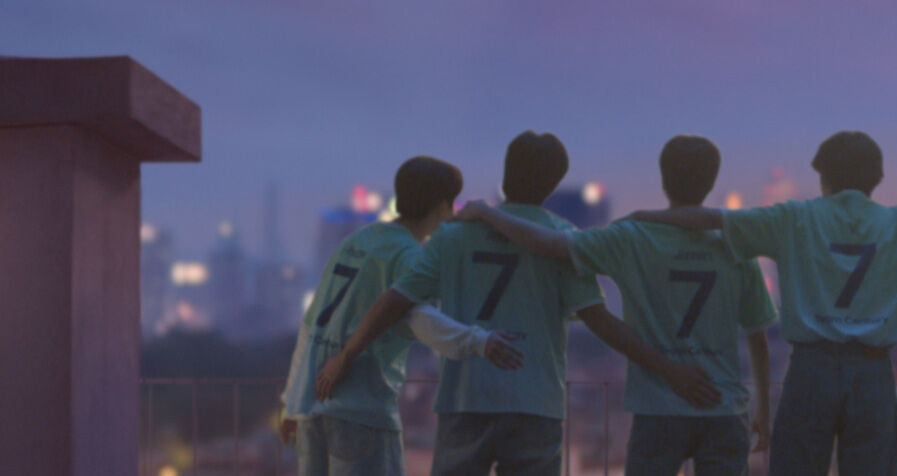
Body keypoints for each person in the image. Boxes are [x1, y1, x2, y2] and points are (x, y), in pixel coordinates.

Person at [626, 130, 897, 476]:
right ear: (876, 179)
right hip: (872, 370)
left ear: (825, 178)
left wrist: (647, 217)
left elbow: (713, 220)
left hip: (810, 368)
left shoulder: (795, 218)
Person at [316, 131, 719, 476]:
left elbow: (394, 300)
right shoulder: (562, 238)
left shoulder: (454, 236)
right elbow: (600, 322)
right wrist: (669, 369)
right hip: (536, 404)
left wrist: (347, 354)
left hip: (464, 400)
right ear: (552, 185)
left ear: (507, 174)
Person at [455, 135, 778, 476]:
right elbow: (759, 337)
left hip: (657, 408)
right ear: (712, 181)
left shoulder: (632, 236)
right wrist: (764, 412)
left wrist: (489, 215)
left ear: (664, 179)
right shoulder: (736, 248)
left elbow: (547, 243)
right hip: (723, 407)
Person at [277, 156, 524, 476]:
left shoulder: (357, 240)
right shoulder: (409, 257)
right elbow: (420, 319)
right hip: (360, 410)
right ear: (440, 207)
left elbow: (311, 325)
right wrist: (480, 341)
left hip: (310, 407)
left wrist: (290, 400)